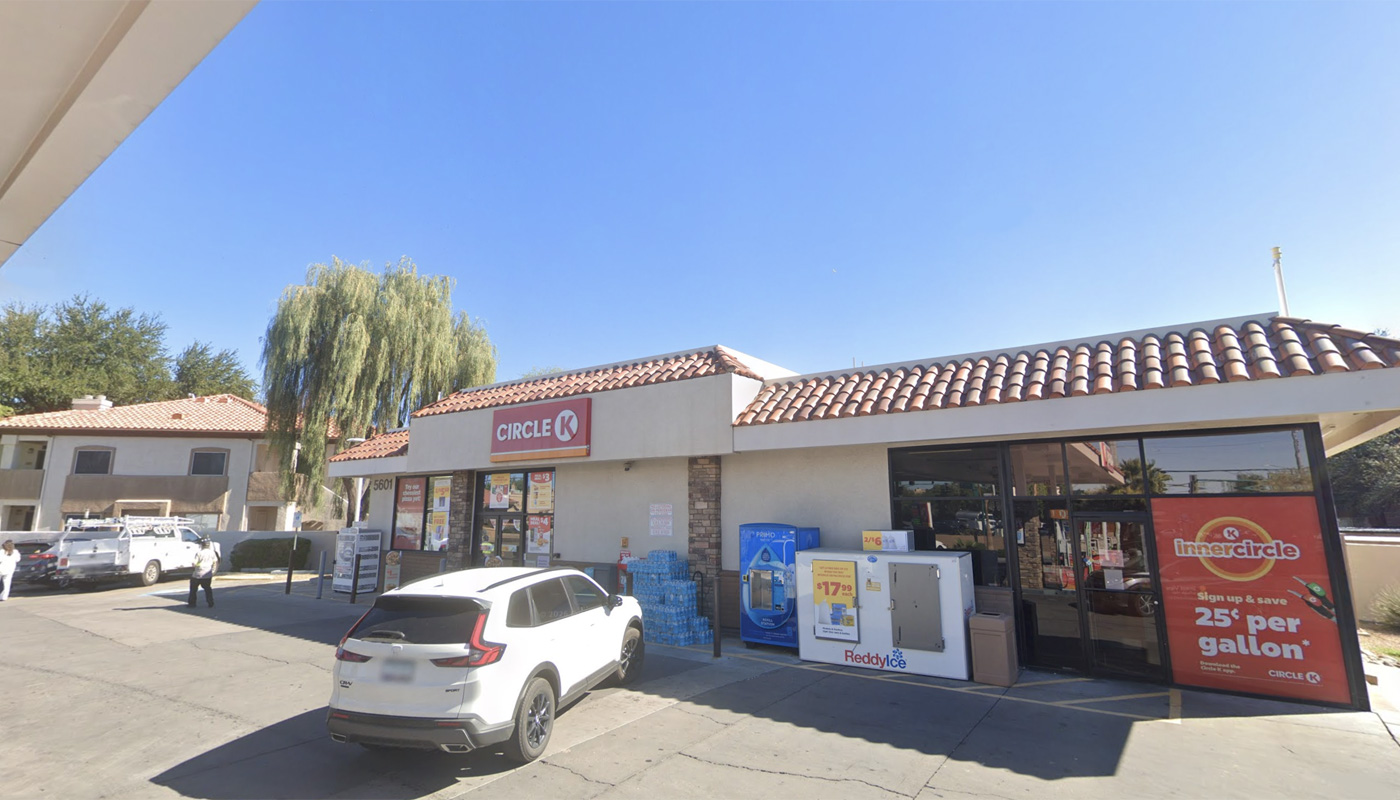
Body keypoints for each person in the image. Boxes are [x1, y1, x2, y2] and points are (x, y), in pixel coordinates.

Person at [188, 539, 218, 608]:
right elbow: (215, 562)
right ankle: (210, 602)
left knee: (193, 589)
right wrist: (212, 570)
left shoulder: (199, 553)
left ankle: (192, 603)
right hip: (207, 574)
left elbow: (194, 563)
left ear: (202, 545)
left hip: (198, 574)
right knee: (207, 589)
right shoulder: (212, 553)